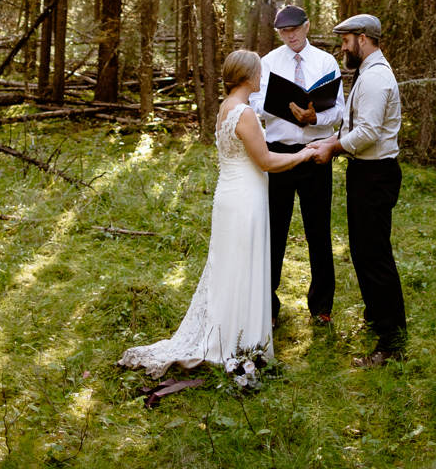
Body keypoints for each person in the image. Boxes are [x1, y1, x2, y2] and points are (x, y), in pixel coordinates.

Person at [118, 50, 318, 377]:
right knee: (244, 264)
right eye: (259, 71)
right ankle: (241, 341)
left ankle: (232, 332)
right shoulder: (246, 114)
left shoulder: (225, 109)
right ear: (248, 77)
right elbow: (266, 162)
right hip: (245, 199)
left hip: (229, 195)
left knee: (230, 266)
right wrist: (303, 154)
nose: (262, 75)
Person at [313, 15, 406, 365]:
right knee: (365, 251)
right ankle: (379, 318)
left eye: (346, 40)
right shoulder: (367, 74)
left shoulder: (376, 78)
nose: (343, 48)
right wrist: (330, 140)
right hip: (365, 173)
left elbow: (367, 134)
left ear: (363, 39)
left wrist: (332, 149)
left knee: (374, 256)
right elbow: (357, 128)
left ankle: (391, 343)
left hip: (375, 175)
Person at [248, 4, 345, 327]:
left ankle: (321, 307)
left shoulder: (326, 61)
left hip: (316, 153)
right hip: (278, 154)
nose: (289, 35)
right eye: (283, 31)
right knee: (273, 229)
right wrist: (285, 109)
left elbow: (339, 111)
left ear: (306, 26)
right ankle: (269, 306)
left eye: (294, 29)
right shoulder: (269, 62)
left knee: (318, 229)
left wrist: (316, 116)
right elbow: (255, 104)